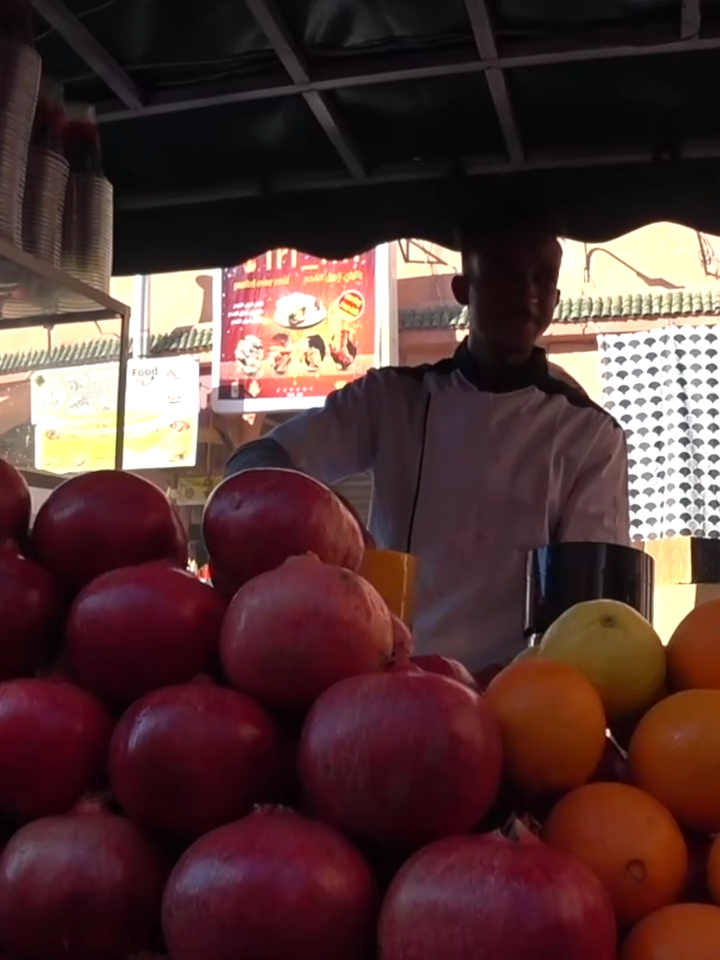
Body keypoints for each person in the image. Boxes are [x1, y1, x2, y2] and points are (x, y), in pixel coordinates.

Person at [224, 199, 631, 673]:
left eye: (543, 277)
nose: (527, 293)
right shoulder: (392, 399)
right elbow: (258, 459)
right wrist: (320, 529)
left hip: (516, 698)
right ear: (464, 289)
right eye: (503, 272)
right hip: (387, 676)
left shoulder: (589, 434)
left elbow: (586, 614)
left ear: (558, 298)